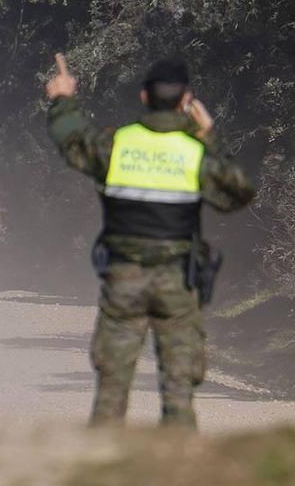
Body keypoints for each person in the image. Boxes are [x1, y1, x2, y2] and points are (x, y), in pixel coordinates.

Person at [45, 54, 255, 429]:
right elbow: (238, 192)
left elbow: (72, 140)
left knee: (111, 388)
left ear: (143, 97)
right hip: (177, 283)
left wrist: (63, 97)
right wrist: (208, 135)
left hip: (123, 279)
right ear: (186, 101)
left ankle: (103, 467)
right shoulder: (195, 154)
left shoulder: (117, 144)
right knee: (178, 390)